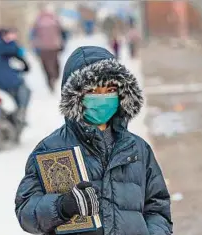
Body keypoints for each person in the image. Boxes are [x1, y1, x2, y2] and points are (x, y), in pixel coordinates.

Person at [15, 46, 173, 235]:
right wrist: (62, 206)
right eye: (94, 90)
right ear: (76, 96)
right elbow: (26, 212)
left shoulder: (138, 149)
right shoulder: (50, 149)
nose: (103, 97)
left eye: (110, 89)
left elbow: (157, 207)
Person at [32, 6, 63, 93]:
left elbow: (32, 35)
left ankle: (50, 80)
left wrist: (35, 48)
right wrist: (61, 45)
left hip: (42, 48)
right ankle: (55, 76)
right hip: (54, 47)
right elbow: (63, 33)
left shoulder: (37, 22)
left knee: (45, 65)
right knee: (54, 63)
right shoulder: (55, 20)